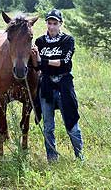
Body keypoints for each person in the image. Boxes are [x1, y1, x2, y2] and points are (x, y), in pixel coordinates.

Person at [31, 9, 84, 162]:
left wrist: (43, 60)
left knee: (71, 124)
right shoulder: (40, 42)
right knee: (48, 126)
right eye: (49, 23)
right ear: (46, 23)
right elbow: (36, 67)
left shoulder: (68, 40)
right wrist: (35, 58)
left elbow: (64, 62)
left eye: (55, 23)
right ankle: (52, 158)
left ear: (60, 24)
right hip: (46, 85)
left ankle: (79, 157)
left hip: (64, 85)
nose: (52, 26)